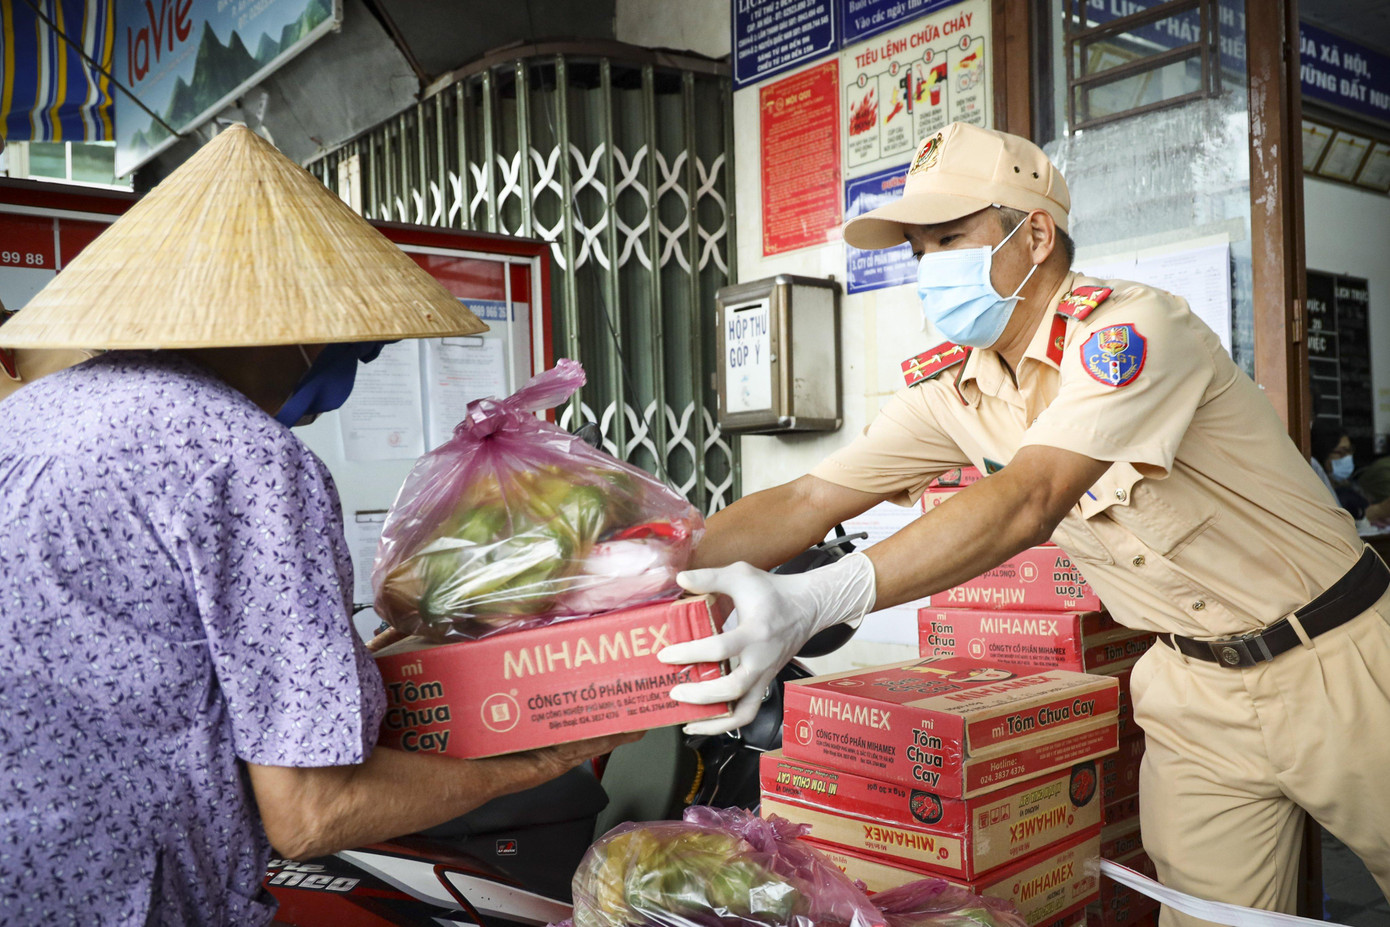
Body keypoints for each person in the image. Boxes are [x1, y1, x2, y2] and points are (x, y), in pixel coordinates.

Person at [658, 122, 1390, 923]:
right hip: (1192, 693)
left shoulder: (1133, 329)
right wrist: (646, 571)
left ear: (1033, 233)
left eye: (949, 238)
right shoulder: (954, 391)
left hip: (1343, 658)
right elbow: (808, 500)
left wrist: (816, 600)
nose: (928, 267)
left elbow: (1033, 496)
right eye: (917, 249)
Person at [0, 125, 637, 925]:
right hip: (132, 898)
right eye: (357, 347)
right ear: (295, 330)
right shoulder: (243, 456)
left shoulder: (30, 419)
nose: (354, 367)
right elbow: (313, 811)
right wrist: (525, 765)